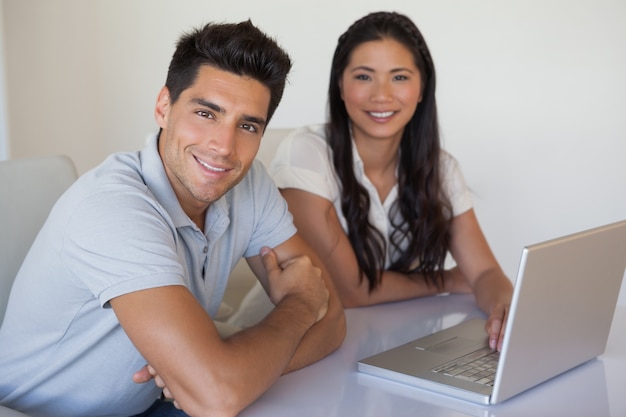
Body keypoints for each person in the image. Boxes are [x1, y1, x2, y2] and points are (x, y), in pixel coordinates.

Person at [0, 21, 345, 417]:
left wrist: (234, 369)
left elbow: (333, 319)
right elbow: (218, 394)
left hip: (157, 404)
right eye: (206, 113)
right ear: (164, 106)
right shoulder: (113, 208)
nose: (224, 147)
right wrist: (299, 308)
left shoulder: (249, 185)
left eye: (247, 125)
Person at [232, 11, 512, 352]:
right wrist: (445, 279)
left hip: (380, 345)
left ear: (422, 87)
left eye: (399, 77)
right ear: (340, 85)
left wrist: (505, 310)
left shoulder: (441, 168)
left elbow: (484, 275)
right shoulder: (307, 154)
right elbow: (350, 291)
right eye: (364, 76)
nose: (382, 95)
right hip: (282, 350)